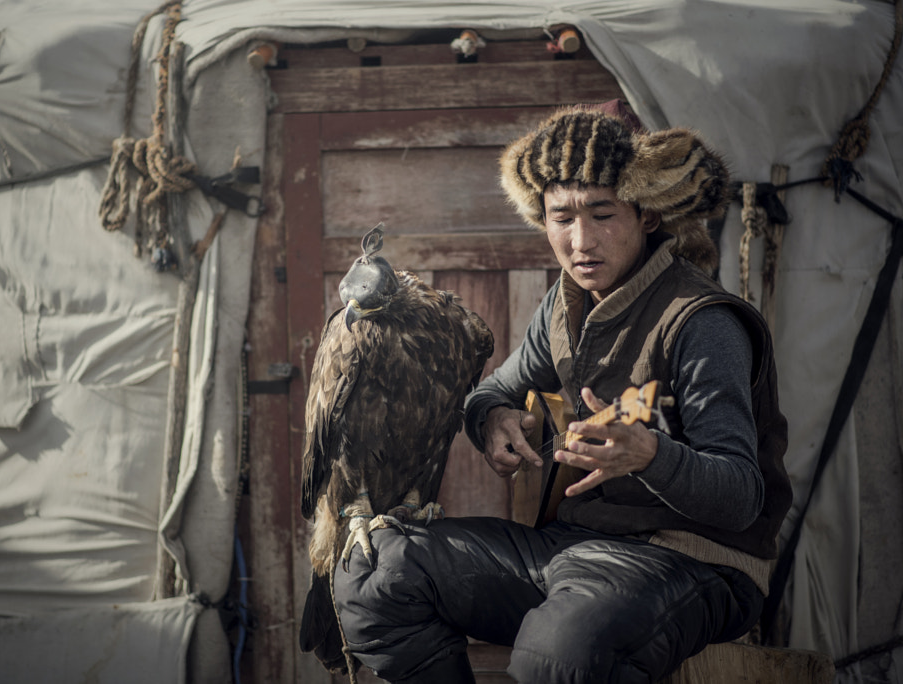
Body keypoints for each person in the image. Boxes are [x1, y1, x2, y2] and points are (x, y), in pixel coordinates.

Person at [331, 101, 792, 684]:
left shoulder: (702, 322)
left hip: (690, 561)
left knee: (559, 654)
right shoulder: (565, 304)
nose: (580, 242)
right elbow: (494, 389)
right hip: (569, 550)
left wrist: (650, 455)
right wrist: (491, 415)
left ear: (646, 215)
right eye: (561, 218)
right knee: (374, 572)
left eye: (601, 215)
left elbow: (742, 496)